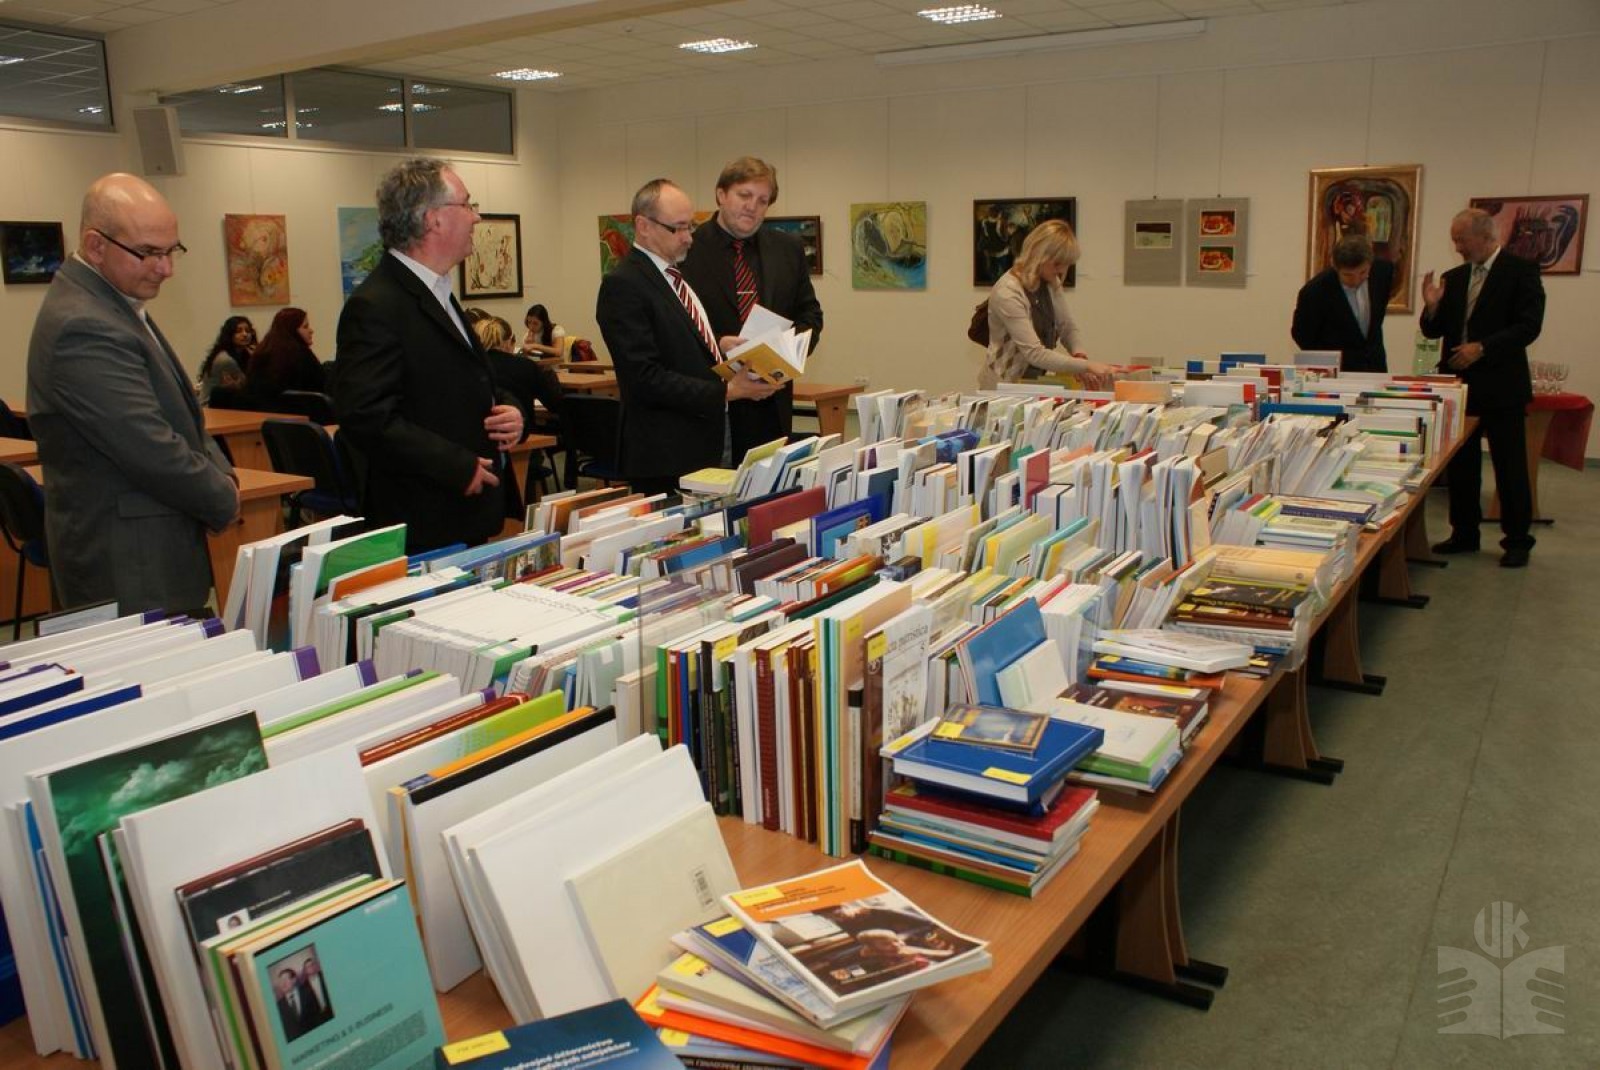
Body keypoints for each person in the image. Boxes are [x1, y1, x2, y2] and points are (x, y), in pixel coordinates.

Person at [26, 173, 239, 614]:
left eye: (172, 251)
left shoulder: (111, 301)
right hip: (129, 564)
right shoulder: (83, 323)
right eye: (149, 253)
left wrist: (225, 476)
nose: (166, 268)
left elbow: (184, 418)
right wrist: (222, 496)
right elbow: (148, 445)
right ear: (96, 245)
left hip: (148, 549)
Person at [334, 157, 524, 553]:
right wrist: (455, 465)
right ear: (432, 219)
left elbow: (470, 379)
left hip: (463, 514)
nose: (476, 216)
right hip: (425, 518)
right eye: (467, 205)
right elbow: (366, 416)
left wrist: (511, 410)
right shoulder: (377, 304)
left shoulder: (438, 291)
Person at [595, 177, 778, 495]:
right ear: (643, 226)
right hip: (666, 453)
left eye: (690, 226)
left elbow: (675, 340)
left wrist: (718, 344)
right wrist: (728, 391)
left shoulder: (673, 275)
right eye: (677, 228)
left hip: (704, 438)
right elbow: (644, 377)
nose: (688, 238)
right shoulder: (623, 284)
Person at [1421, 208, 1545, 568]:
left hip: (1503, 386)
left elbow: (1529, 326)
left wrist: (1483, 347)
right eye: (1454, 240)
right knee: (1462, 466)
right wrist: (1431, 308)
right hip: (1460, 387)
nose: (1457, 247)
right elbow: (1434, 330)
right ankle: (1464, 533)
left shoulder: (1520, 272)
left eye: (1461, 240)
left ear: (1485, 236)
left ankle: (1517, 540)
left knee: (1510, 467)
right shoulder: (1455, 277)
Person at [679, 156, 823, 462]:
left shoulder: (787, 249)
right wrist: (719, 344)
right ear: (721, 194)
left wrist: (786, 353)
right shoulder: (687, 250)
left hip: (772, 402)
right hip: (712, 405)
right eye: (744, 195)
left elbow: (810, 316)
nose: (752, 207)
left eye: (762, 200)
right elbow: (675, 326)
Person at [978, 219, 1116, 390]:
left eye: (1066, 264)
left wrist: (1080, 356)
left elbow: (1067, 327)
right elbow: (1034, 353)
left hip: (1031, 382)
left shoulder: (1050, 281)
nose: (1061, 270)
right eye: (1057, 263)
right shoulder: (1008, 291)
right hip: (1002, 385)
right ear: (1038, 255)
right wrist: (1086, 366)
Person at [1291, 234, 1395, 372]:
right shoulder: (1314, 292)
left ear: (1370, 263)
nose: (1356, 280)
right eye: (1348, 275)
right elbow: (1302, 336)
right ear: (1335, 268)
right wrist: (1328, 363)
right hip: (1337, 372)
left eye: (1363, 272)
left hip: (1376, 367)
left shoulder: (1384, 272)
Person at [246, 307, 326, 405]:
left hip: (262, 411)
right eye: (305, 327)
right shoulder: (302, 354)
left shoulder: (261, 351)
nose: (311, 330)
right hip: (302, 411)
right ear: (291, 329)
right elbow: (321, 386)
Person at [197, 315, 255, 404]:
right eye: (238, 331)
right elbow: (249, 386)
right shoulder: (225, 360)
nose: (245, 334)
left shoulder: (245, 354)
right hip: (210, 406)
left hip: (226, 402)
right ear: (230, 334)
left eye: (247, 331)